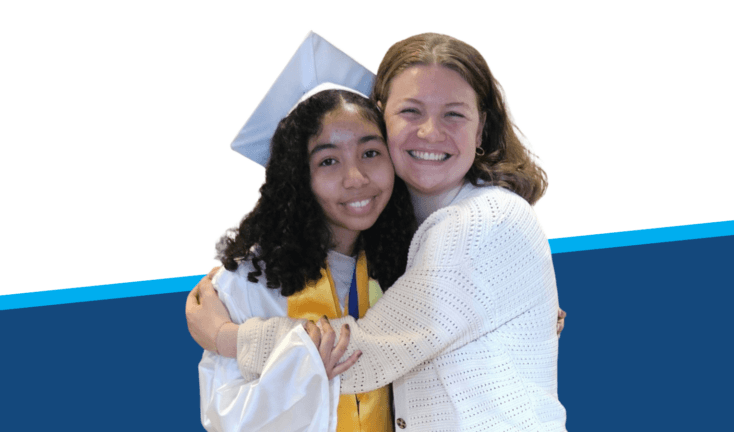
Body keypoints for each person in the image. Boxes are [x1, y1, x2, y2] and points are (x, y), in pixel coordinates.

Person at [188, 32, 567, 431]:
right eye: (411, 111)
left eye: (454, 113)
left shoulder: (476, 223)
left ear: (481, 127)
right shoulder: (255, 279)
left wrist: (224, 336)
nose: (430, 132)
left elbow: (364, 354)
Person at [194, 86, 415, 432]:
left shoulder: (404, 263)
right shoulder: (248, 281)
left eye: (371, 152)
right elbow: (225, 416)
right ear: (299, 176)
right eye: (328, 161)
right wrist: (303, 373)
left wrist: (232, 337)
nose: (355, 178)